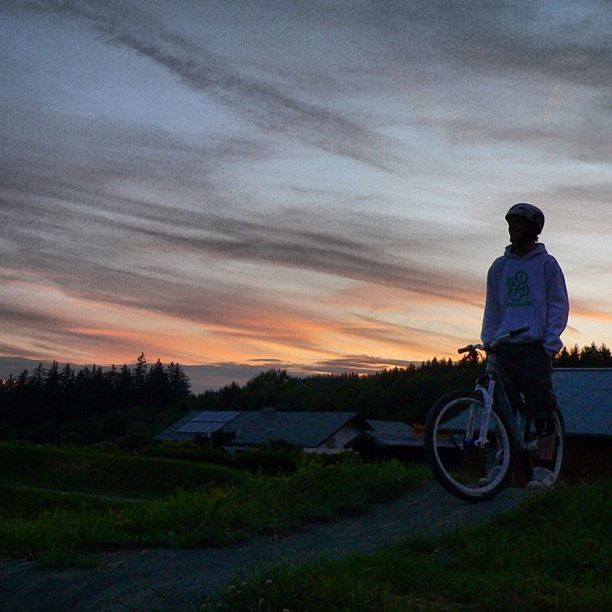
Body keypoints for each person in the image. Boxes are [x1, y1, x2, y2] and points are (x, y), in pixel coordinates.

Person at [481, 203, 569, 490]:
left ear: (532, 229)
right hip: (503, 345)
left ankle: (544, 465)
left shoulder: (547, 264)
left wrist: (550, 343)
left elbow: (558, 304)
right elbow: (493, 306)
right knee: (498, 406)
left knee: (539, 401)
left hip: (534, 345)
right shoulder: (499, 267)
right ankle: (501, 465)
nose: (512, 229)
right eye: (510, 224)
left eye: (518, 224)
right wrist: (488, 340)